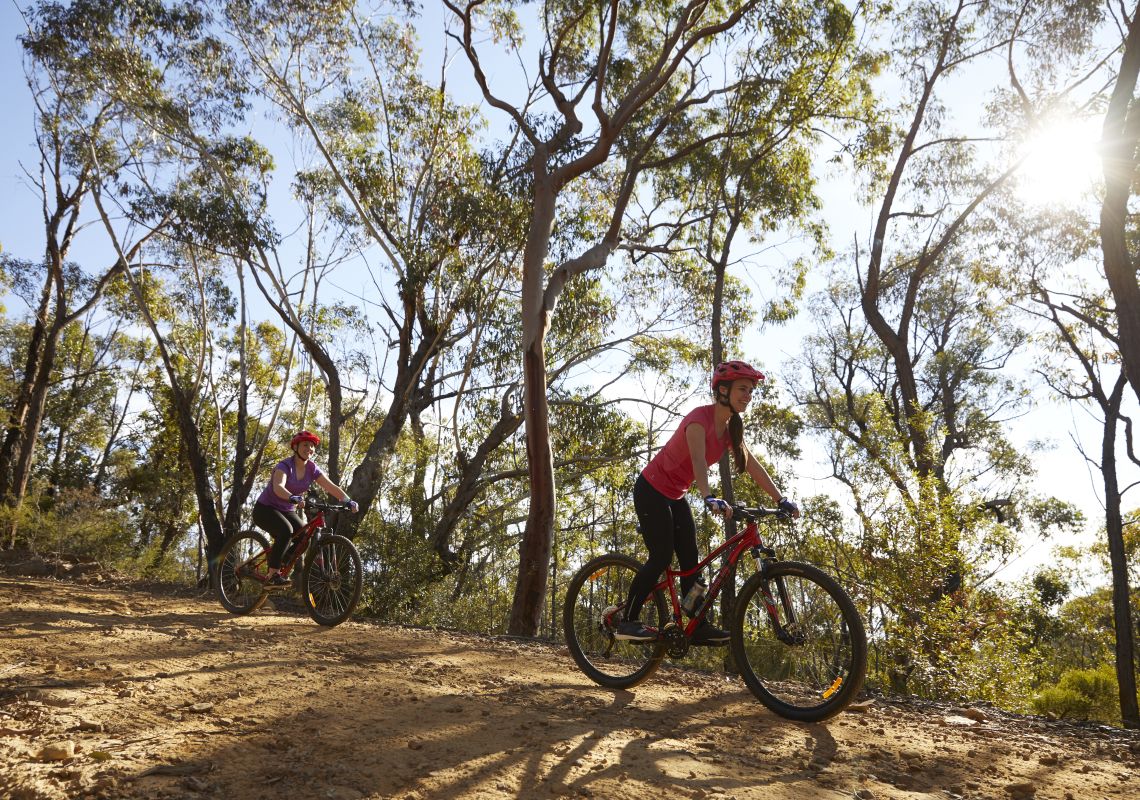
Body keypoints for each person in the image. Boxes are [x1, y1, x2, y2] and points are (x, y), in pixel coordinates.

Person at [617, 361, 800, 644]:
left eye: (750, 391)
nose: (748, 395)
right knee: (662, 555)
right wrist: (707, 496)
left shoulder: (730, 429)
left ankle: (696, 622)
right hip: (650, 490)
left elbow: (751, 464)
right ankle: (626, 620)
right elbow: (698, 461)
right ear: (723, 390)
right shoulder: (698, 420)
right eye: (743, 389)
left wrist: (781, 498)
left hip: (675, 495)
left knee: (692, 564)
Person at [252, 430, 358, 588]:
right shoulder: (285, 466)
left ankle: (279, 563)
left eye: (312, 446)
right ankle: (273, 575)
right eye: (305, 444)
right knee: (286, 531)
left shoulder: (312, 468)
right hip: (265, 509)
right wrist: (291, 497)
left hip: (286, 510)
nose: (309, 448)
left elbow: (330, 486)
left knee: (303, 538)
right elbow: (278, 487)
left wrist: (348, 500)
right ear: (295, 447)